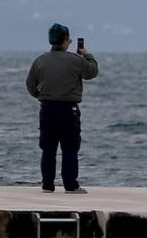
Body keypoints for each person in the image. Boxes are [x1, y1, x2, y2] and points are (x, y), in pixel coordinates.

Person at [26, 23, 98, 193]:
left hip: (47, 109)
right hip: (68, 111)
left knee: (48, 149)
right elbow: (92, 72)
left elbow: (30, 85)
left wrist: (42, 97)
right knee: (70, 149)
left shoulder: (40, 61)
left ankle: (47, 185)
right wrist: (87, 55)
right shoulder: (75, 61)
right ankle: (71, 186)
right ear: (66, 41)